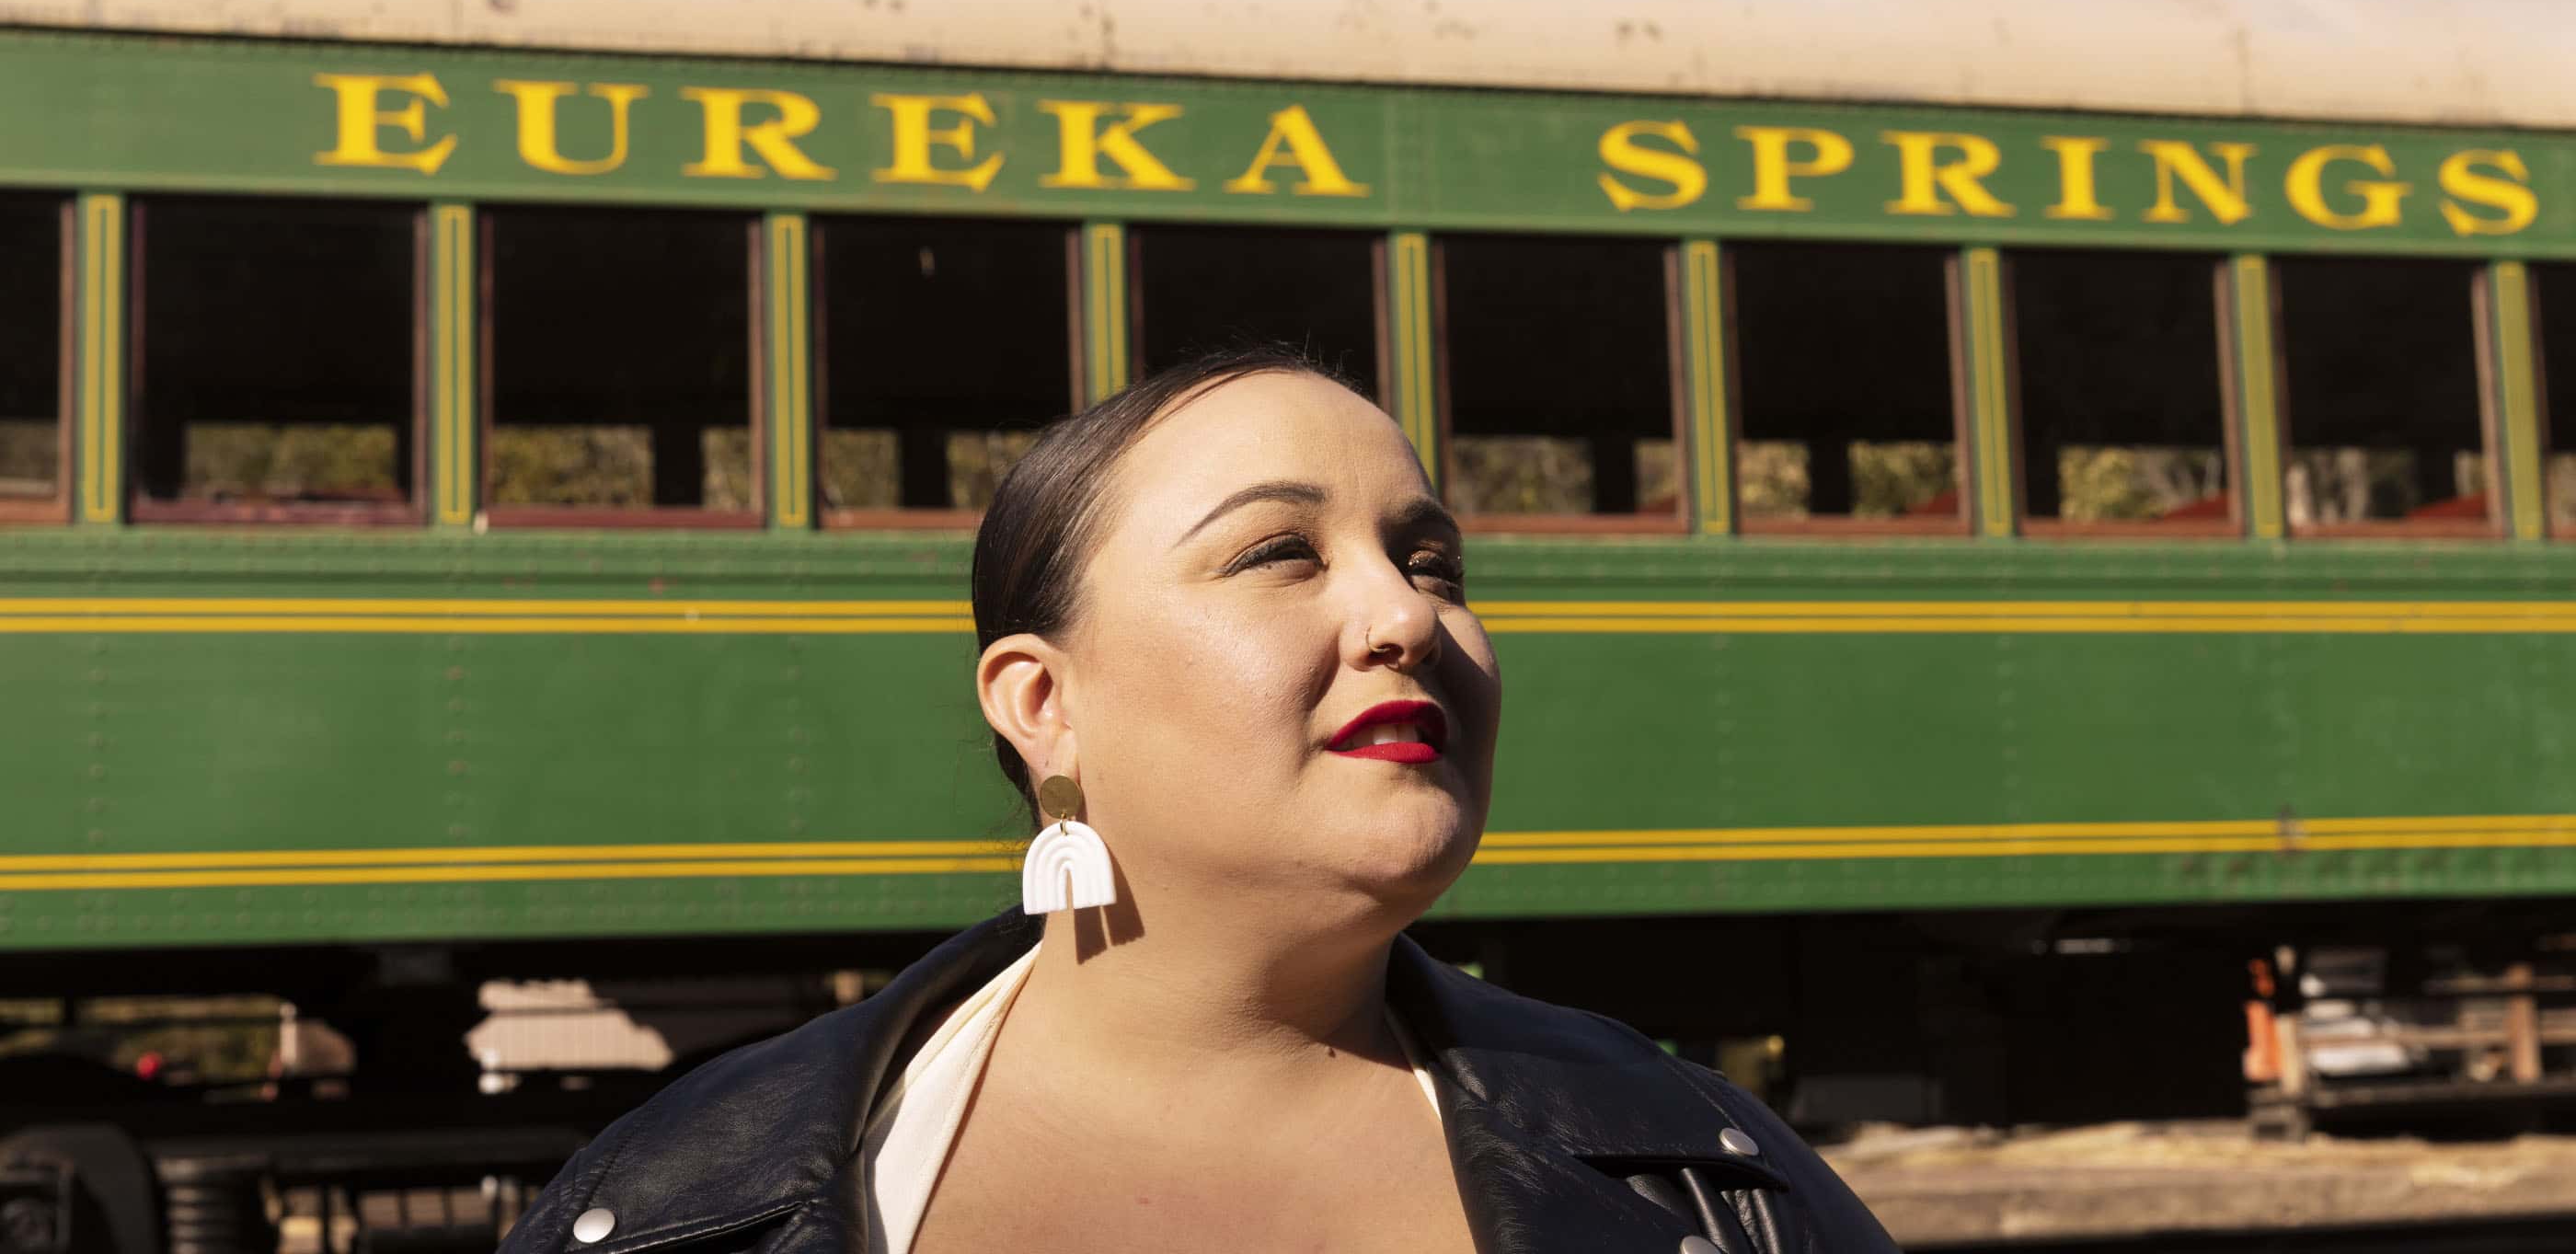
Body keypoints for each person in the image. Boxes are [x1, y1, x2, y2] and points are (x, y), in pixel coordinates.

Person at [499, 346, 1899, 1254]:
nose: (1402, 614)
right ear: (1043, 704)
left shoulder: (1719, 1180)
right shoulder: (675, 1211)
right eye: (1281, 552)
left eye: (1434, 562)